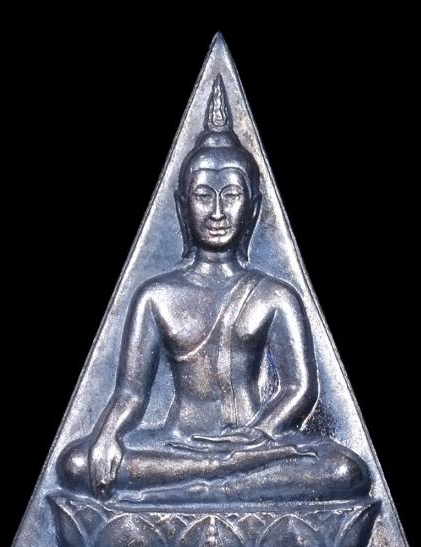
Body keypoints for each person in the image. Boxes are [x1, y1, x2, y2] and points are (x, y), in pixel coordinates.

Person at [59, 76, 370, 503]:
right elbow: (130, 393)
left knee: (345, 471)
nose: (218, 212)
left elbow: (299, 389)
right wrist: (109, 433)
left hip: (253, 443)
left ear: (254, 207)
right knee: (76, 463)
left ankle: (198, 485)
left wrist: (257, 434)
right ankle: (215, 479)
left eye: (232, 195)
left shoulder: (275, 295)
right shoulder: (156, 296)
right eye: (204, 195)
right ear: (182, 205)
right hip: (177, 445)